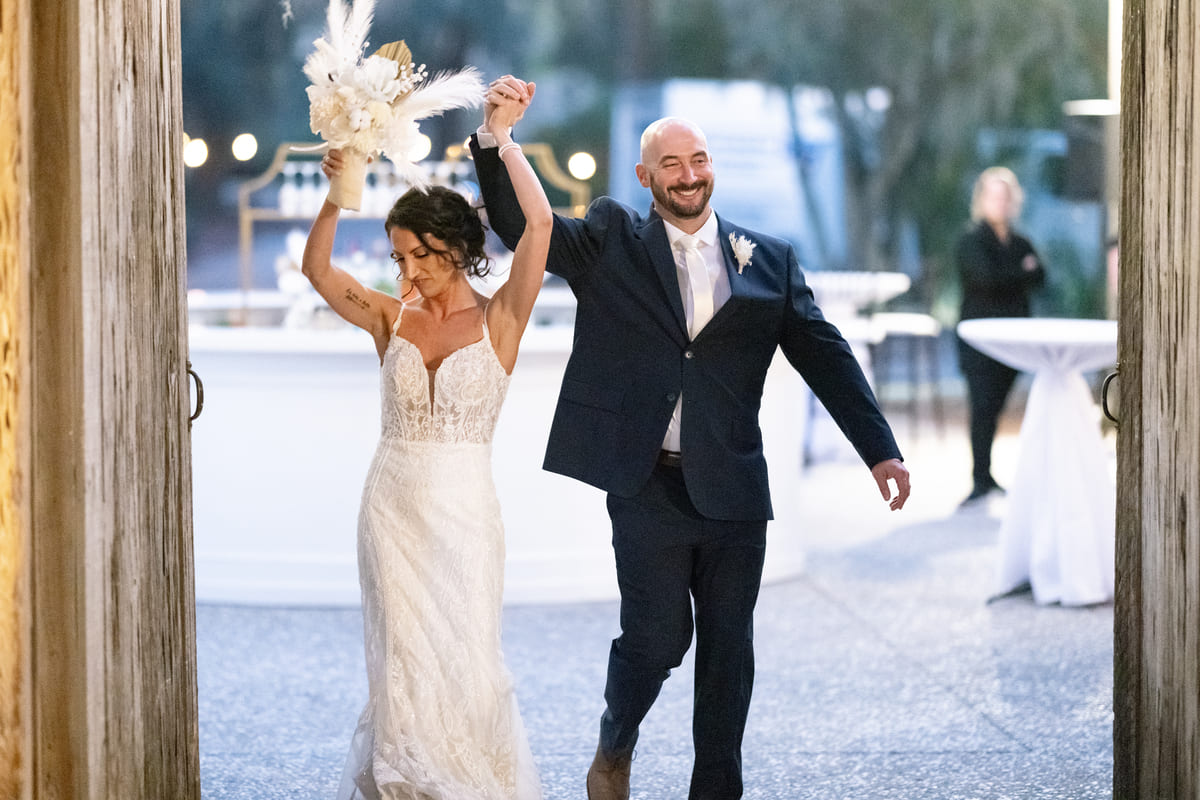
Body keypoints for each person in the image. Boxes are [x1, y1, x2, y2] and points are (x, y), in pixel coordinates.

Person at [472, 76, 910, 800]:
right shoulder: (611, 238)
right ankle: (617, 737)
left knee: (729, 652)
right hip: (647, 482)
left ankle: (716, 791)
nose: (688, 175)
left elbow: (824, 353)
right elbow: (524, 233)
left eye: (698, 160)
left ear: (713, 167)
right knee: (656, 639)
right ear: (646, 177)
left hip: (734, 486)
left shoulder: (767, 259)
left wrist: (880, 449)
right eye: (671, 165)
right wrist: (496, 139)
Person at [303, 84, 549, 800]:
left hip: (465, 512)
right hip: (392, 508)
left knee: (468, 658)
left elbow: (537, 227)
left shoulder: (503, 317)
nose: (406, 271)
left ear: (459, 249)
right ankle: (406, 785)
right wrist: (337, 190)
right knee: (403, 660)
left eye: (420, 255)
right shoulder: (389, 318)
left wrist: (502, 141)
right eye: (398, 257)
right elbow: (319, 273)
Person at [955, 166, 1046, 507]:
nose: (1000, 202)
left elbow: (1040, 276)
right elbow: (985, 280)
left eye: (1006, 196)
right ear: (981, 200)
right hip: (978, 342)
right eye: (994, 196)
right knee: (982, 407)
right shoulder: (970, 241)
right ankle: (979, 479)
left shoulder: (1021, 241)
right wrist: (1019, 272)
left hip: (1014, 342)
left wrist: (1017, 274)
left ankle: (988, 475)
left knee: (996, 407)